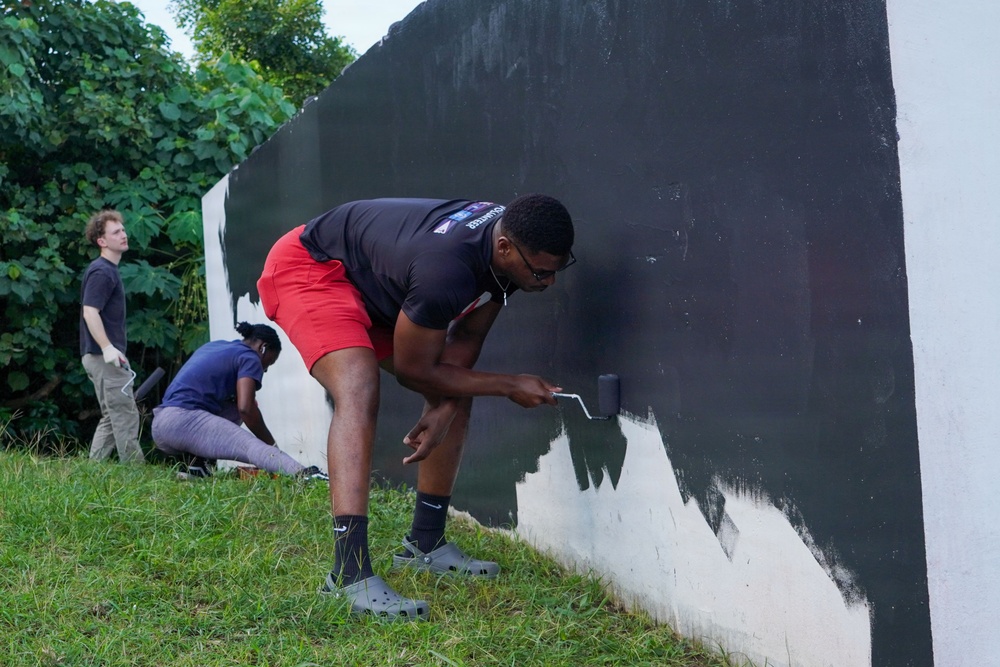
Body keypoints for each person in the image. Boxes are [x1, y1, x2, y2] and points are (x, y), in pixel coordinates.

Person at [257, 194, 576, 619]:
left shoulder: (513, 246)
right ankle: (348, 575)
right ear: (505, 249)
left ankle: (425, 544)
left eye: (557, 270)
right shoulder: (445, 270)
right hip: (312, 266)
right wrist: (508, 384)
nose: (547, 282)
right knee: (359, 383)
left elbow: (463, 341)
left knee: (459, 390)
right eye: (541, 272)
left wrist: (447, 403)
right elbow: (413, 370)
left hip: (377, 281)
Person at [151, 322, 328, 481]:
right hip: (183, 421)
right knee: (249, 445)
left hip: (162, 423)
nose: (264, 371)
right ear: (263, 348)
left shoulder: (216, 346)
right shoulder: (250, 357)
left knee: (237, 405)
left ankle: (198, 467)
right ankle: (306, 475)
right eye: (268, 364)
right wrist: (271, 447)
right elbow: (246, 409)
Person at [79, 209, 145, 464]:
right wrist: (107, 348)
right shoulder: (102, 272)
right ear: (102, 241)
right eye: (116, 232)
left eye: (123, 229)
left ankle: (92, 470)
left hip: (99, 356)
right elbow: (90, 312)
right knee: (125, 414)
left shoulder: (106, 270)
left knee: (111, 415)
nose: (124, 235)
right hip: (101, 356)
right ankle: (136, 476)